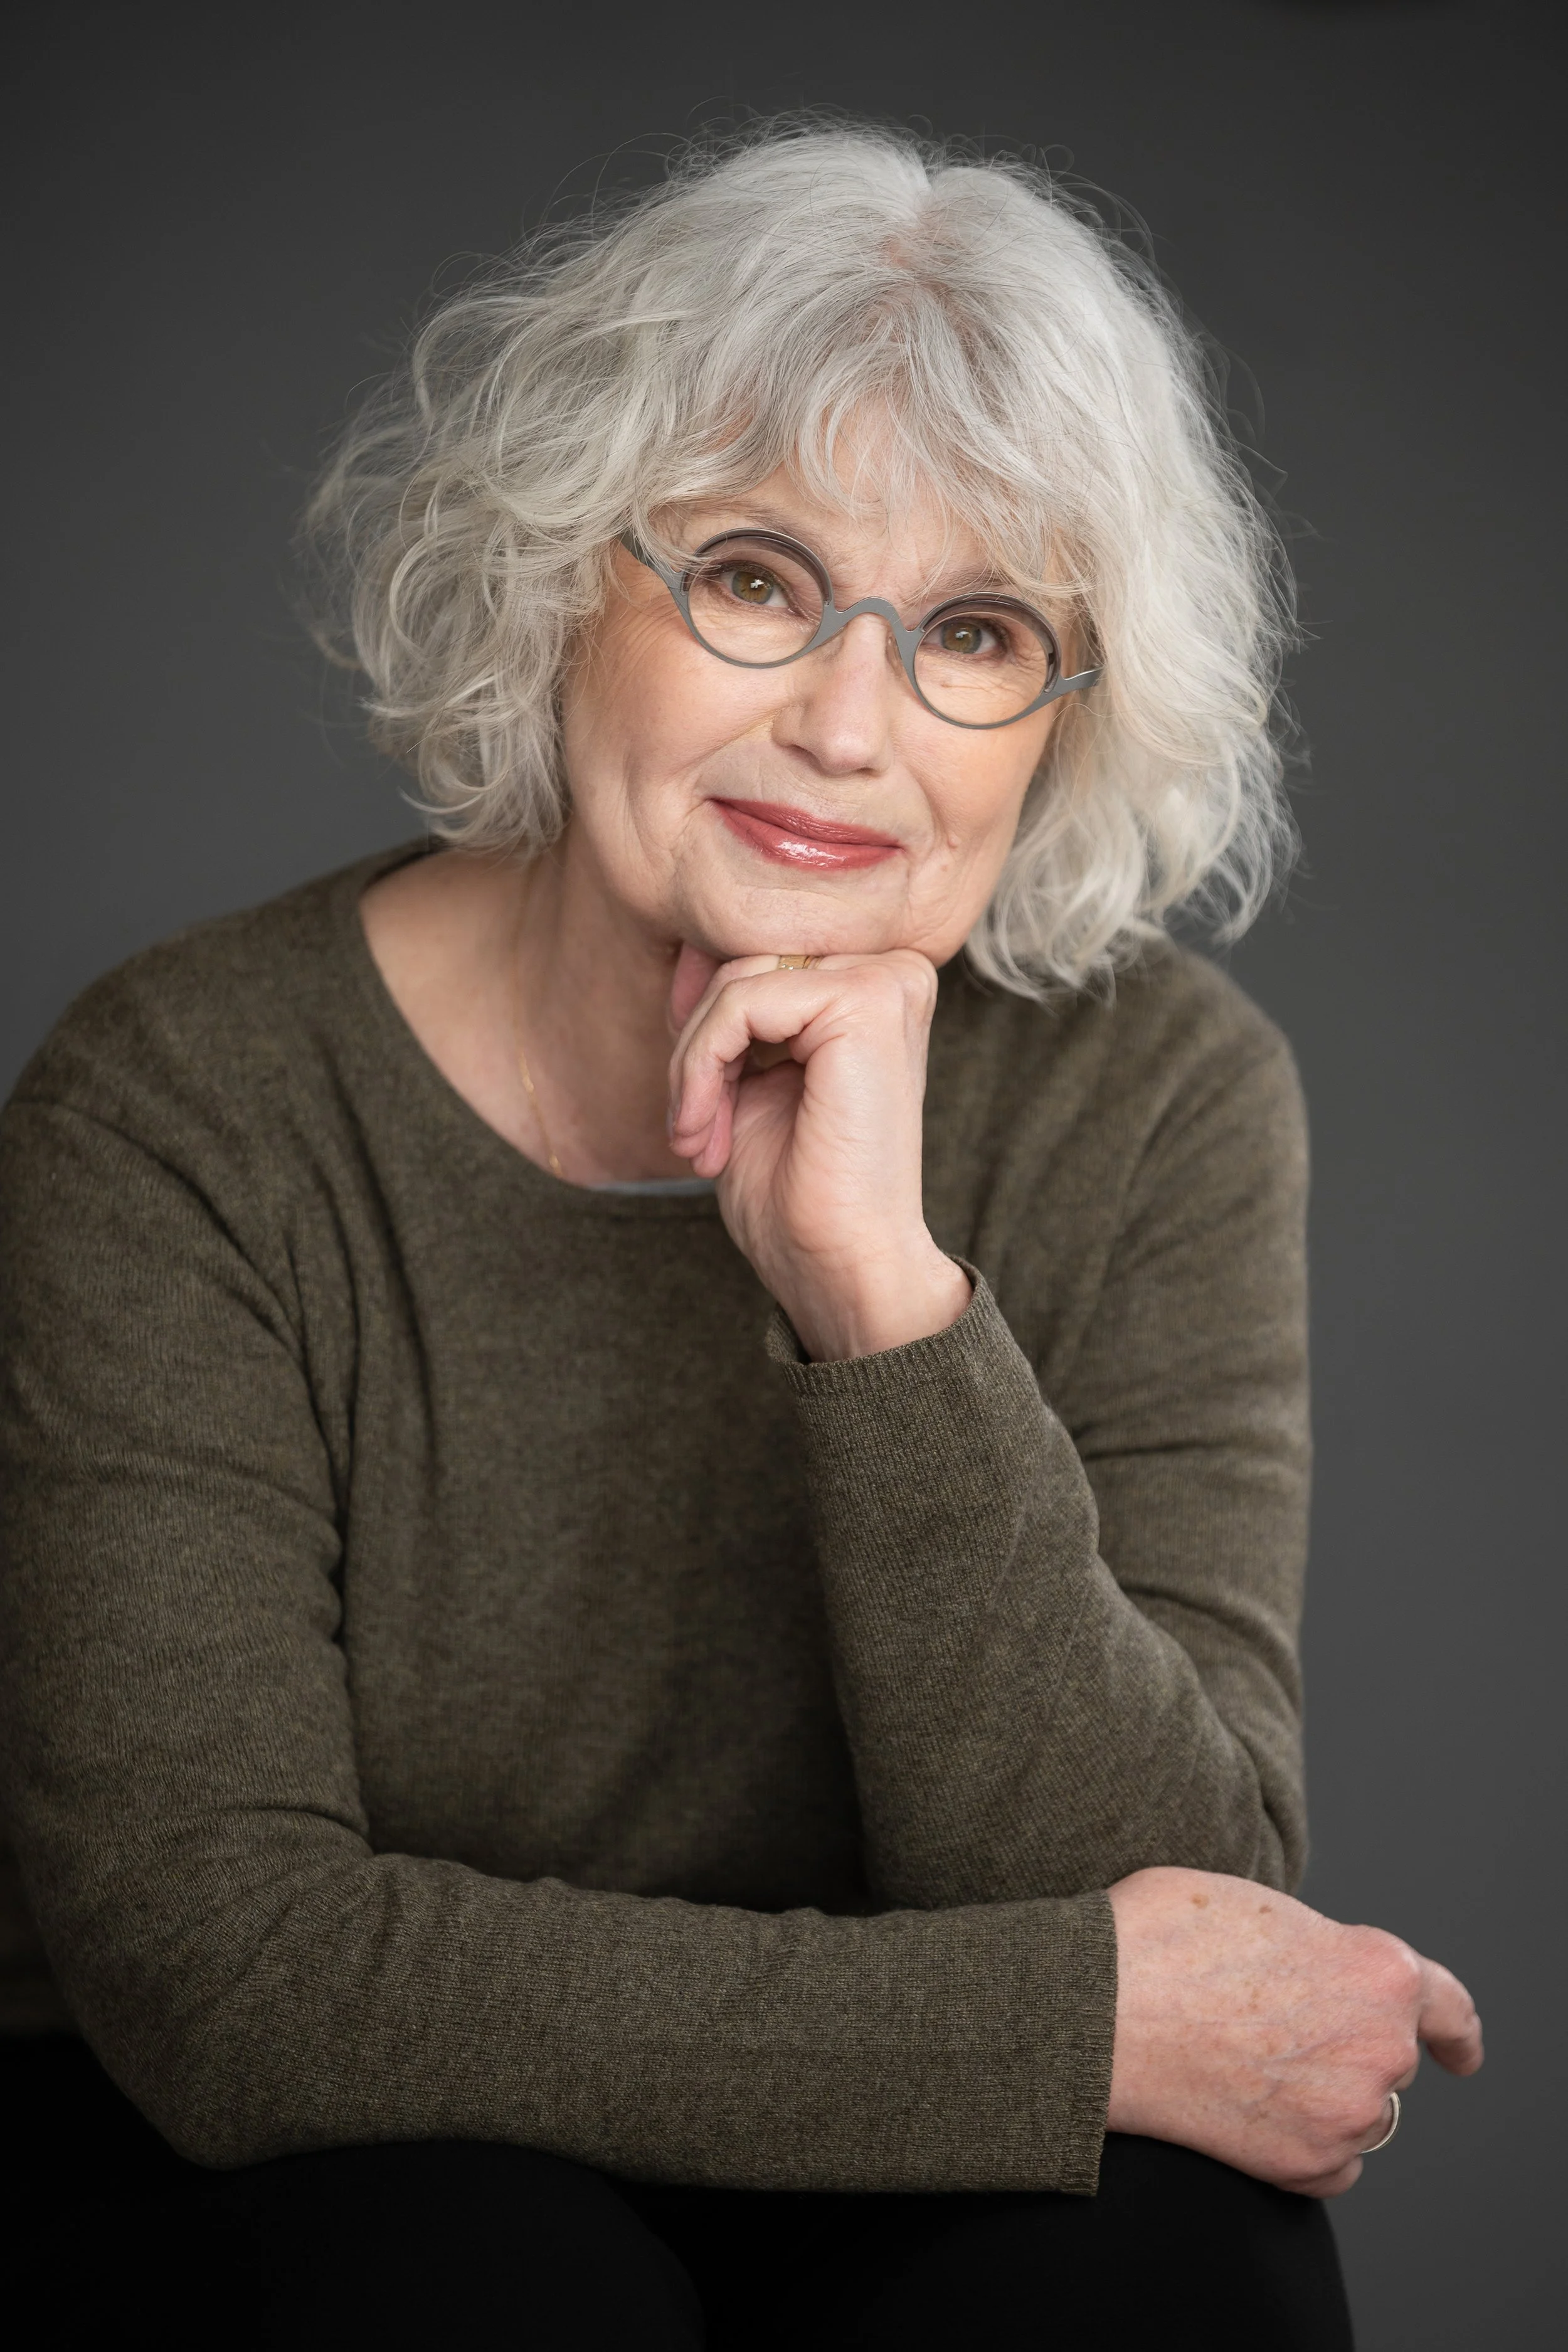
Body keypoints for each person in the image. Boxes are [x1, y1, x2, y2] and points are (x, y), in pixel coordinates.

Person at [0, 123, 1481, 2348]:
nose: (847, 723)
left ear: (1060, 727)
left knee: (1169, 2276)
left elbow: (1175, 1898)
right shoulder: (184, 1103)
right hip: (286, 2176)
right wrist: (1048, 2034)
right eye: (760, 577)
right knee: (486, 2286)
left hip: (871, 2182)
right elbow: (237, 1975)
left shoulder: (1155, 1096)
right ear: (551, 579)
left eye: (976, 630)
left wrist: (882, 1312)